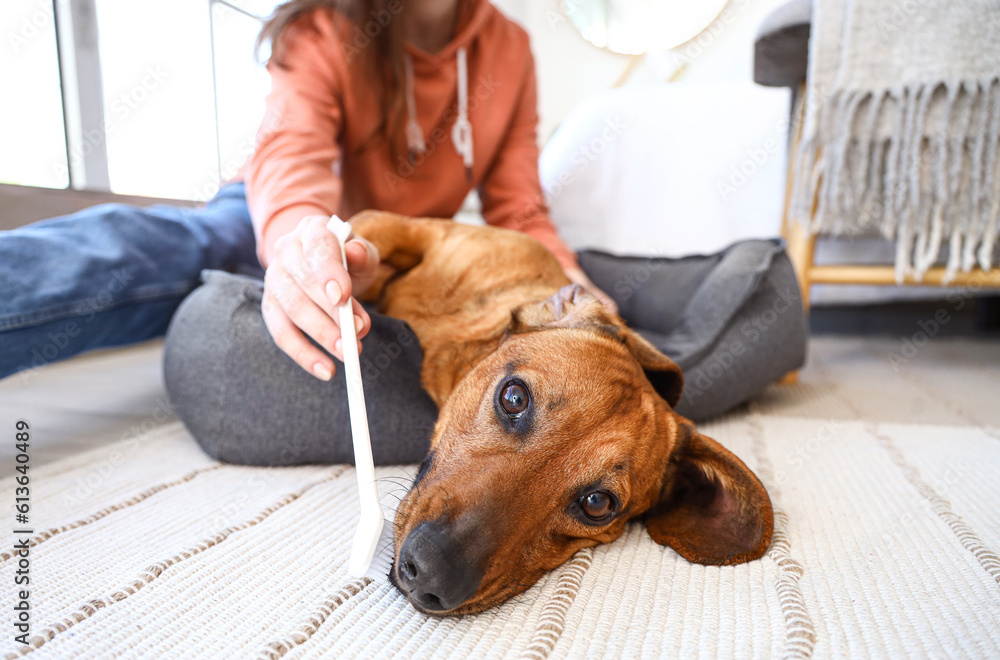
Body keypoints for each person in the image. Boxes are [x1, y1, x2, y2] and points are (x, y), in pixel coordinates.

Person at [2, 0, 807, 466]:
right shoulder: (324, 27)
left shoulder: (507, 48)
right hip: (292, 225)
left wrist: (577, 290)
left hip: (406, 253)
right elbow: (290, 161)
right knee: (162, 247)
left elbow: (518, 209)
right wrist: (295, 247)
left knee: (590, 274)